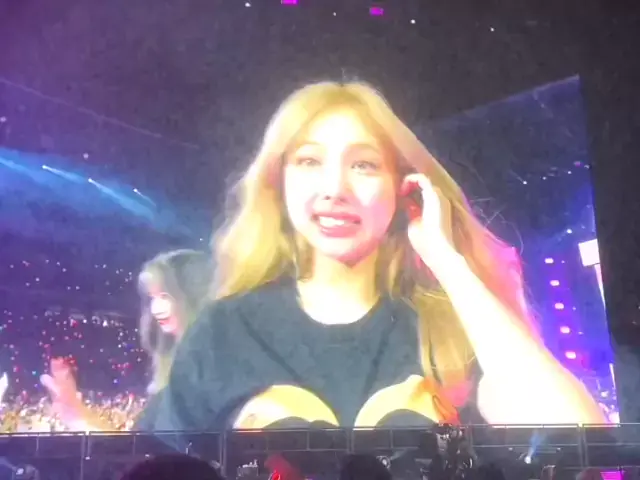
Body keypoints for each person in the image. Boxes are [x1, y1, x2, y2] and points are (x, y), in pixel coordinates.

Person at [137, 81, 605, 435]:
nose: (334, 189)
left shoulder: (451, 328)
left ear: (403, 188)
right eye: (308, 161)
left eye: (363, 165)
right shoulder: (224, 332)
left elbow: (576, 442)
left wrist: (445, 258)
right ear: (279, 184)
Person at [40, 249, 211, 431]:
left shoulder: (206, 376)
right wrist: (78, 417)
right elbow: (140, 446)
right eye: (152, 298)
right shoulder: (175, 372)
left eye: (165, 296)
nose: (156, 308)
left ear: (193, 297)